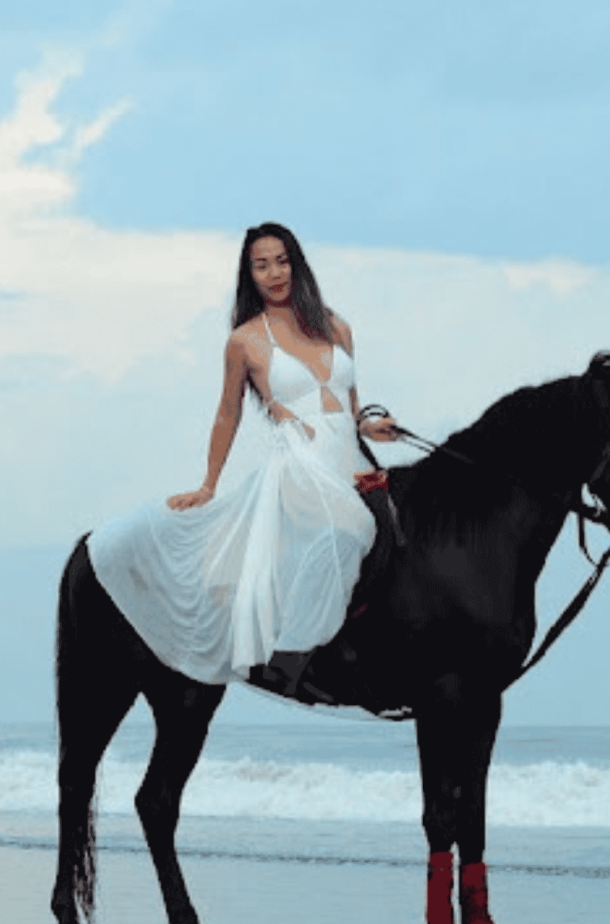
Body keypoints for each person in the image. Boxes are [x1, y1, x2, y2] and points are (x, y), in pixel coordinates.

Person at [87, 222, 399, 691]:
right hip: (299, 464)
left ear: (296, 264)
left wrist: (371, 427)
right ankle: (291, 653)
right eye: (261, 265)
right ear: (249, 274)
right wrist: (208, 484)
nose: (274, 273)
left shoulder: (337, 327)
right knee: (349, 529)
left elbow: (349, 405)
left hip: (351, 462)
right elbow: (227, 413)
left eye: (282, 261)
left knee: (400, 539)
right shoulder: (245, 340)